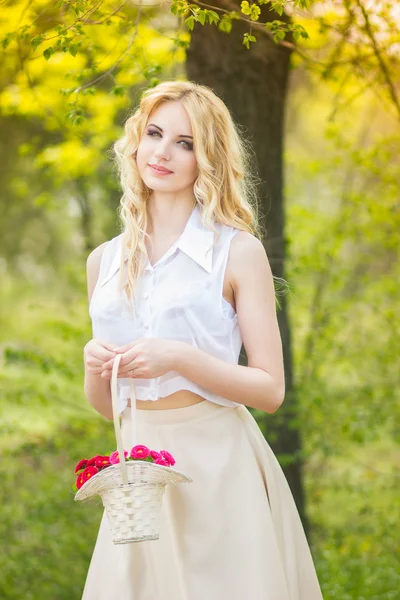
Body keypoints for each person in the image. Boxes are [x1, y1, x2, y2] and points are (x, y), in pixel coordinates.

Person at [81, 80, 324, 599]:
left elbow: (269, 389)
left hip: (218, 466)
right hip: (139, 476)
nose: (163, 152)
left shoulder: (237, 252)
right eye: (154, 134)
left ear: (206, 157)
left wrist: (178, 357)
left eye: (185, 142)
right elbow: (108, 408)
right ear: (137, 142)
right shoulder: (103, 261)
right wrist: (93, 364)